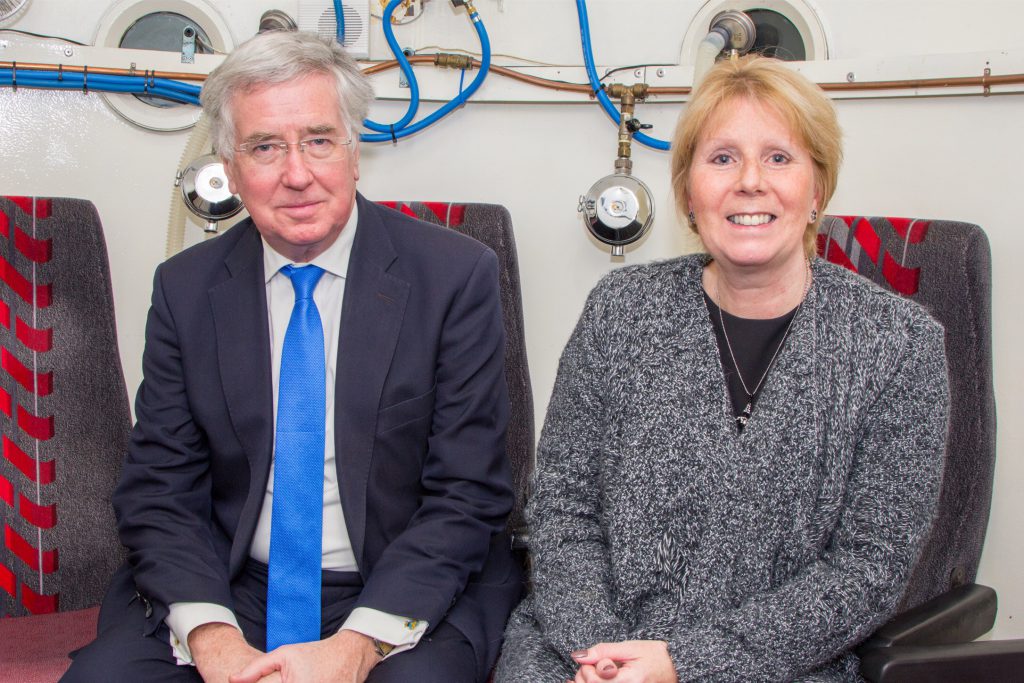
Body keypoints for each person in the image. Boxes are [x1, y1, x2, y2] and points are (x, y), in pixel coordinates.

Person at [64, 30, 520, 683]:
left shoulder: (455, 276)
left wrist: (358, 644)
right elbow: (160, 490)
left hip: (400, 583)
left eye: (318, 139)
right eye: (266, 147)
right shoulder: (186, 288)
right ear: (230, 161)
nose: (297, 173)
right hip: (230, 581)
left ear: (354, 150)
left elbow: (468, 492)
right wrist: (214, 637)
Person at [495, 55, 949, 682]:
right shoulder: (619, 311)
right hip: (582, 653)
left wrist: (685, 664)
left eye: (780, 158)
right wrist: (600, 654)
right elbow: (563, 508)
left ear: (818, 189)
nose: (751, 182)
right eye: (723, 157)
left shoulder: (898, 346)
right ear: (688, 192)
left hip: (779, 666)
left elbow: (869, 569)